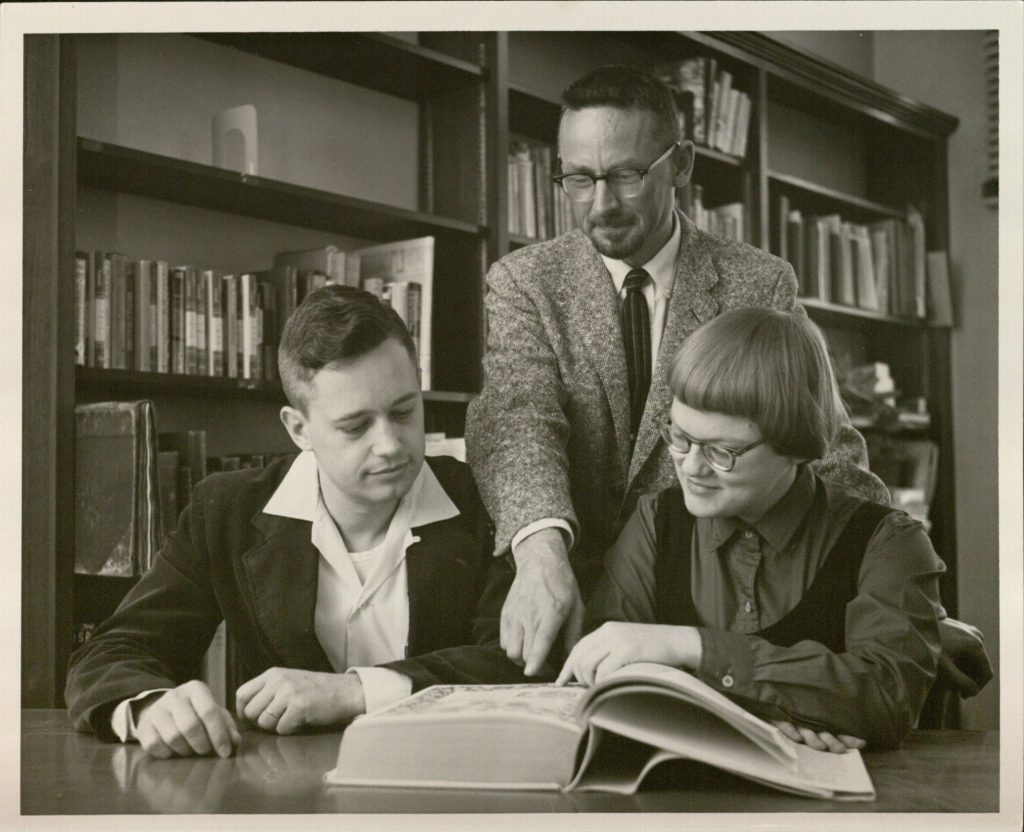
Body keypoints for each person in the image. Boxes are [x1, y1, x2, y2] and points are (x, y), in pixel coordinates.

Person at [465, 64, 991, 700]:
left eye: (627, 175)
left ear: (681, 163)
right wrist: (541, 552)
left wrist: (891, 582)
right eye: (578, 178)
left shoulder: (757, 279)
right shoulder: (523, 279)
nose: (600, 203)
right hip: (550, 579)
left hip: (699, 594)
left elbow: (819, 438)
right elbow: (519, 421)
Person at [66, 286, 524, 758]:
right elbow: (112, 651)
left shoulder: (490, 500)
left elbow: (521, 665)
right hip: (287, 799)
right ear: (298, 429)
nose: (390, 444)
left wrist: (354, 691)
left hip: (451, 782)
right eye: (355, 426)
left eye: (404, 411)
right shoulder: (225, 511)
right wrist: (150, 706)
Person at [558, 308, 945, 750]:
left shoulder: (890, 542)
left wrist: (691, 648)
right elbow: (607, 672)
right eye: (679, 437)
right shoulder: (653, 521)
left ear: (797, 446)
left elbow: (886, 696)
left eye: (723, 451)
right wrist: (781, 711)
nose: (691, 467)